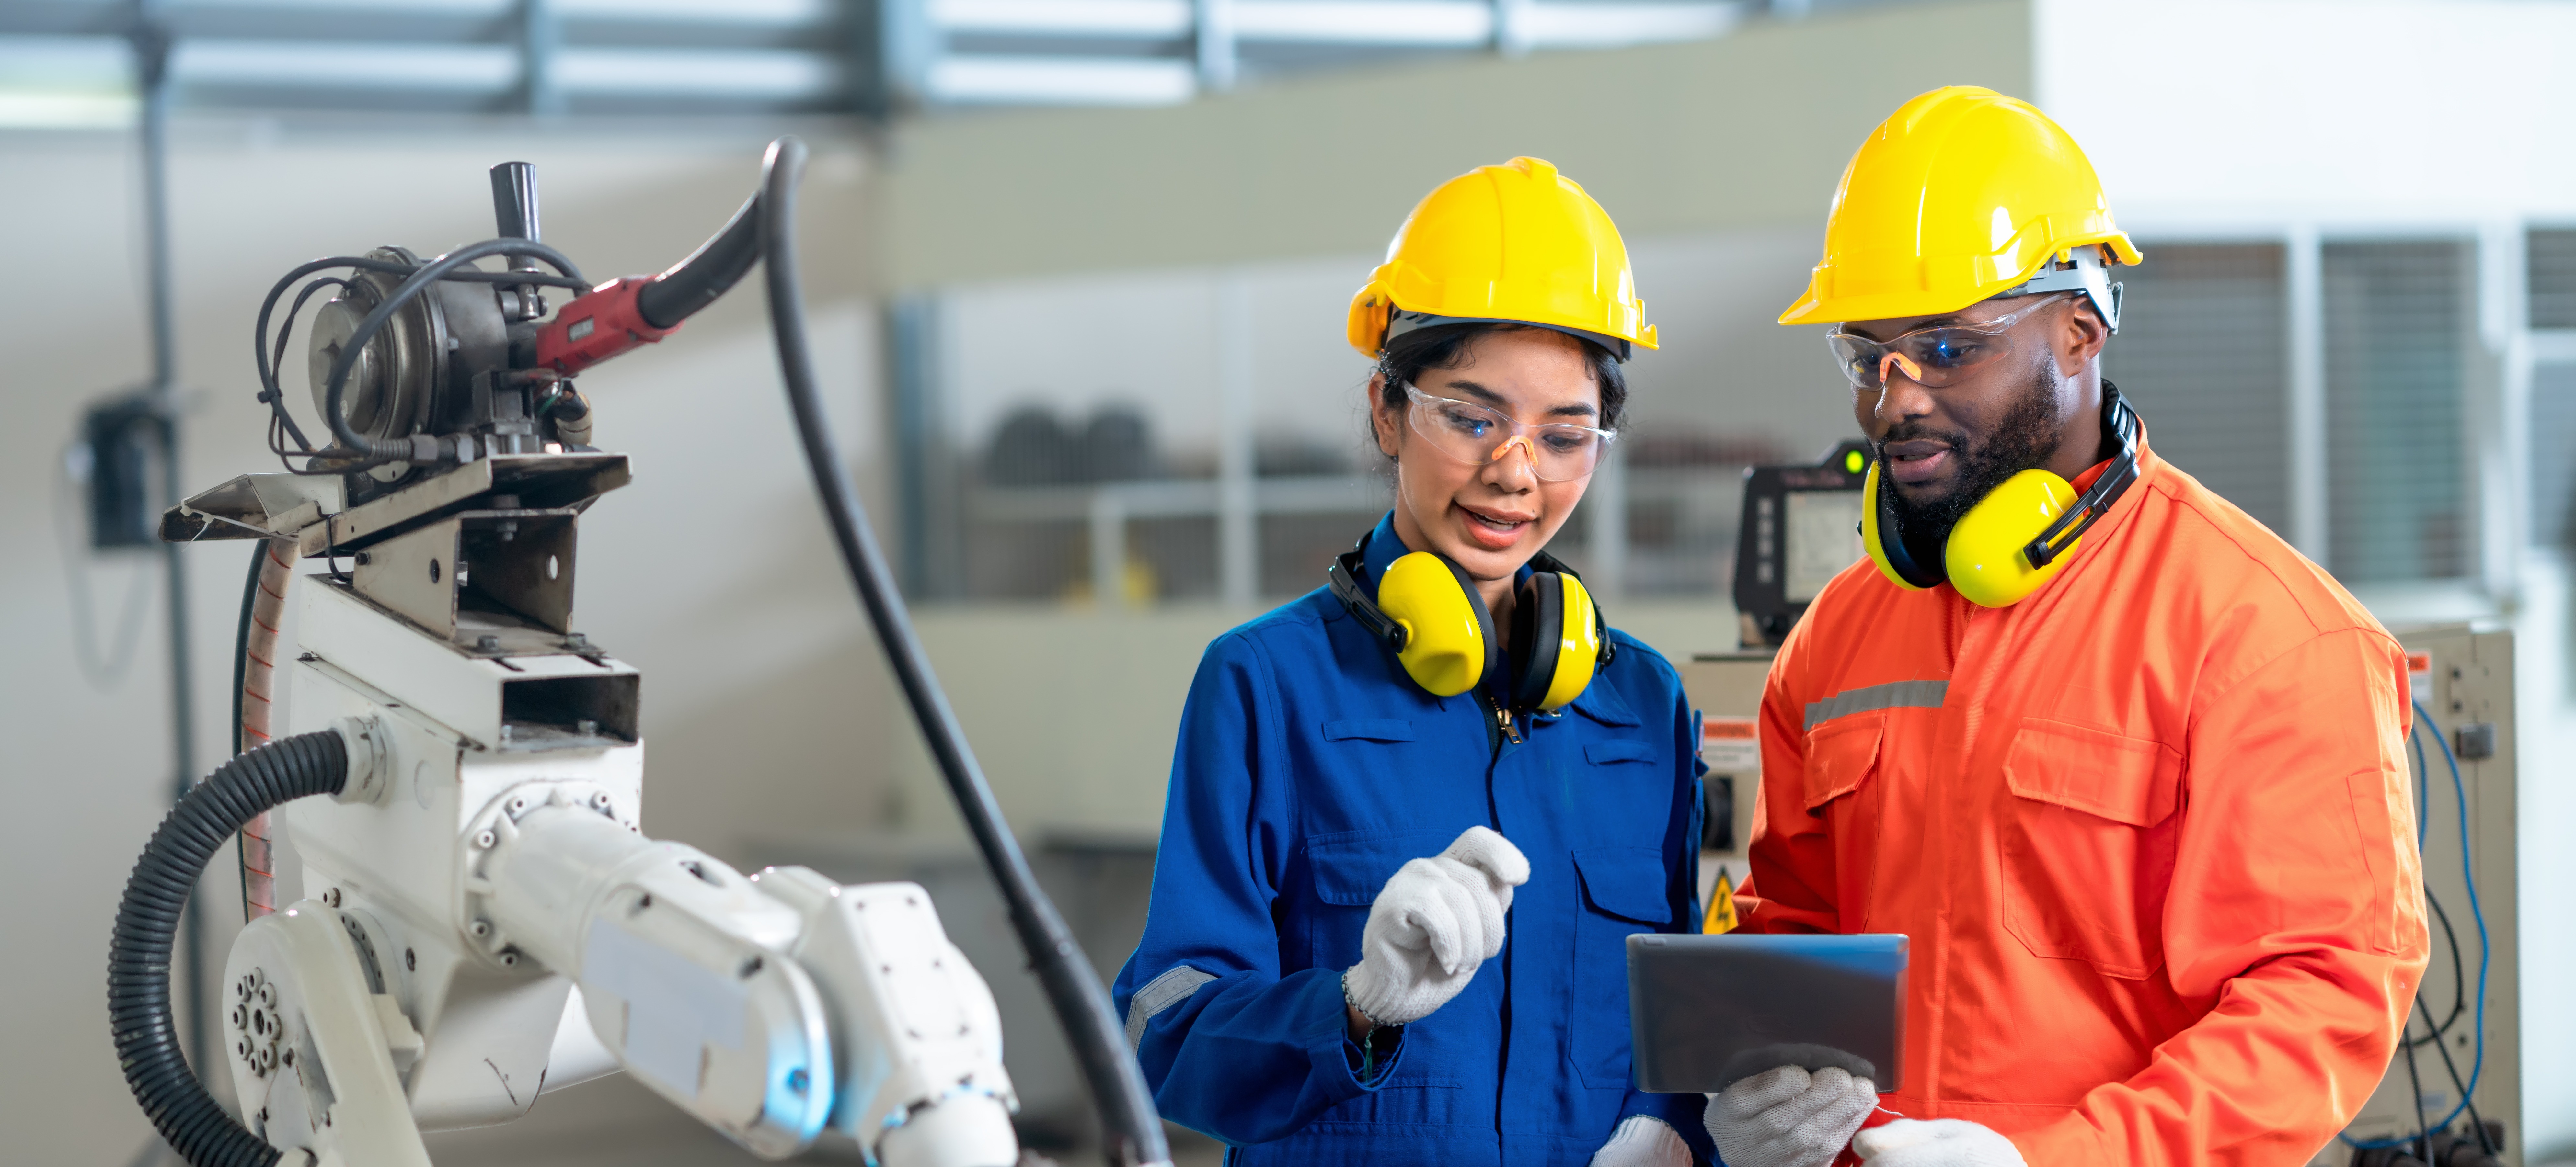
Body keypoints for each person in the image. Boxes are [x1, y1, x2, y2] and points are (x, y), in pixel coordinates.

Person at [1702, 86, 2432, 1167]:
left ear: (2081, 330)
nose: (1895, 401)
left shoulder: (2268, 635)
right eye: (1870, 356)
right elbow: (1792, 928)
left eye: (1948, 349)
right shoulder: (1838, 638)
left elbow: (2320, 996)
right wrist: (1749, 1079)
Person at [1111, 157, 1715, 1167]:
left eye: (1564, 436)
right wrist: (1354, 1005)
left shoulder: (1642, 703)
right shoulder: (1267, 686)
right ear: (1389, 412)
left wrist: (1677, 1123)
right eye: (1473, 419)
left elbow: (1695, 998)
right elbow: (1165, 1032)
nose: (1515, 473)